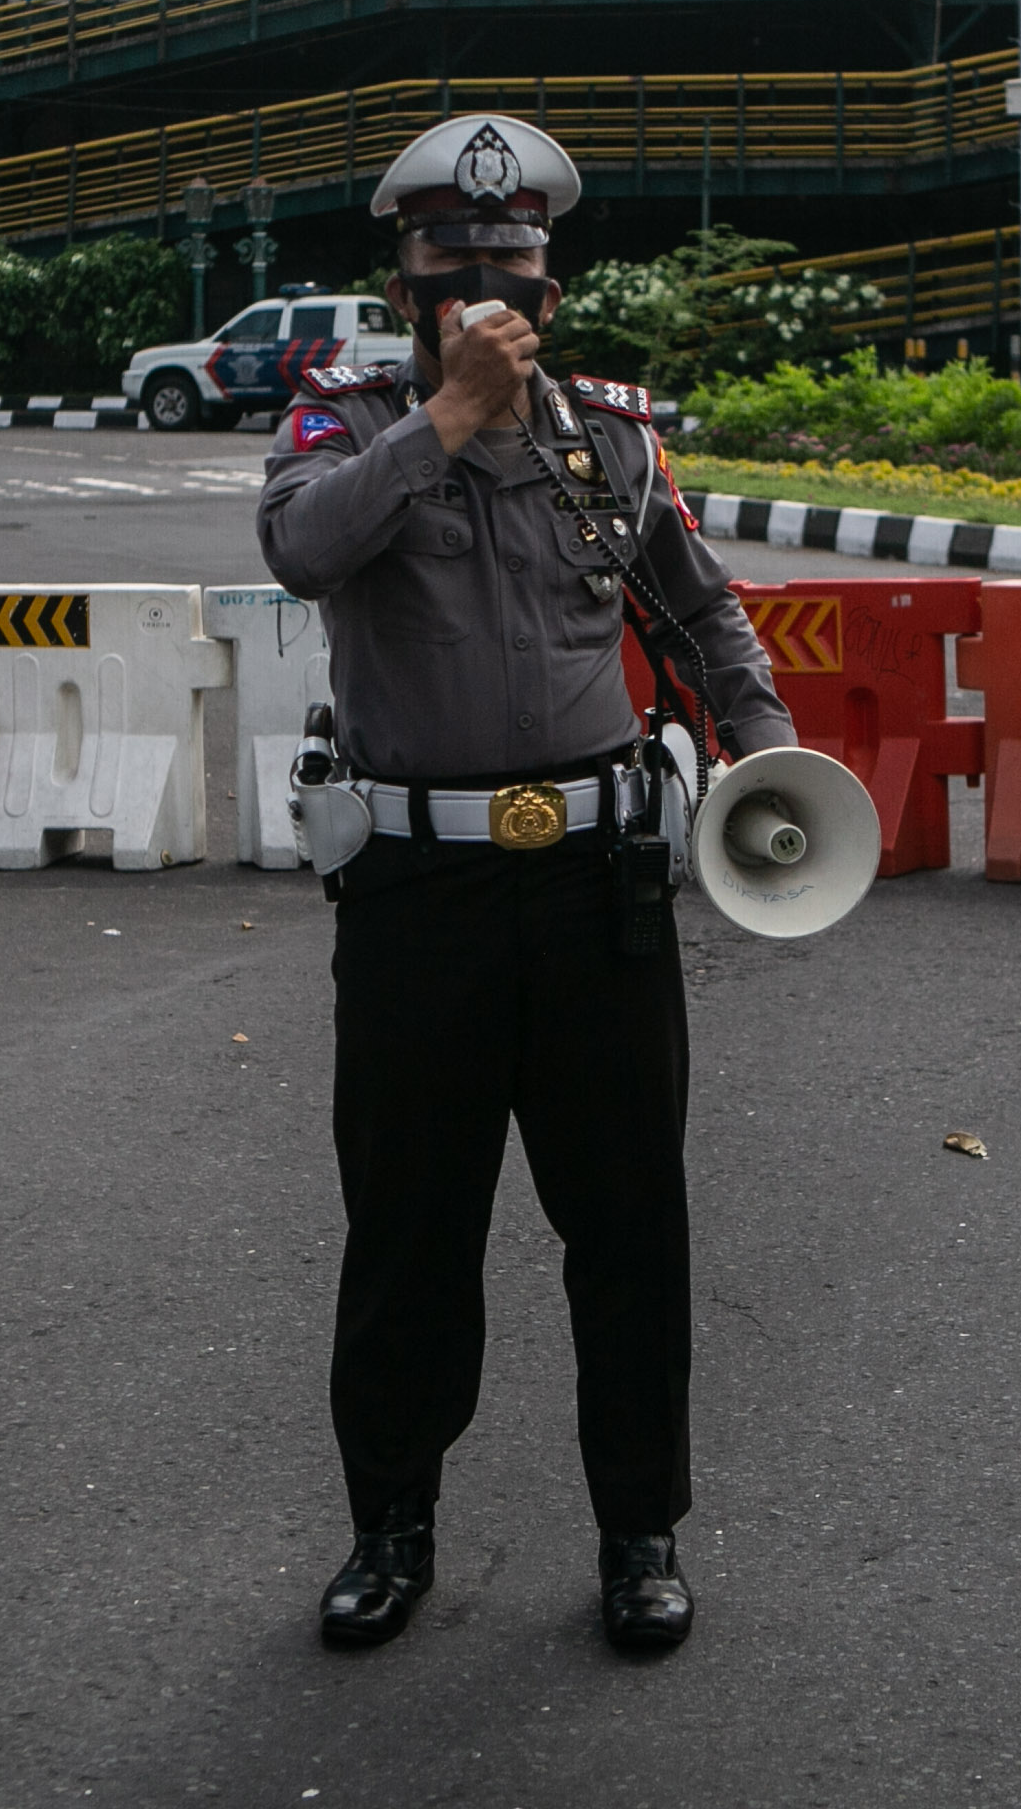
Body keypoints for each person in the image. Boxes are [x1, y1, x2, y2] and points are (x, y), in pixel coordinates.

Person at [255, 113, 795, 1657]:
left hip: (594, 890)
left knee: (628, 1226)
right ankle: (391, 1525)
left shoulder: (609, 440)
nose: (486, 289)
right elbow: (301, 551)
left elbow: (700, 615)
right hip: (418, 894)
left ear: (552, 289)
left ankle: (641, 1530)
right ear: (405, 288)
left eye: (513, 266)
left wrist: (768, 749)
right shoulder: (342, 424)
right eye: (454, 266)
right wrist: (443, 419)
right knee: (409, 1232)